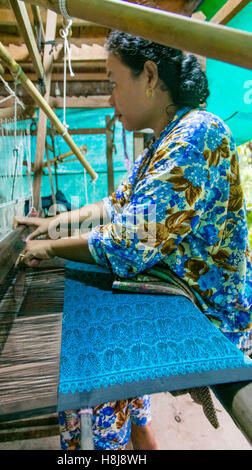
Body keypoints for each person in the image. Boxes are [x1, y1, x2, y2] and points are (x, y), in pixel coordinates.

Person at [13, 28, 252, 452]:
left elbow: (127, 240)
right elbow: (114, 204)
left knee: (93, 377)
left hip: (208, 315)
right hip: (167, 288)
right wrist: (53, 224)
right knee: (97, 354)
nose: (110, 97)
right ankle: (137, 437)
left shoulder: (197, 134)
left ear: (149, 75)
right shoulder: (164, 139)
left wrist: (50, 248)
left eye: (112, 82)